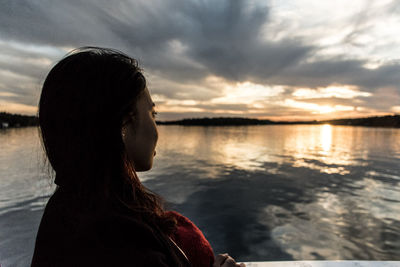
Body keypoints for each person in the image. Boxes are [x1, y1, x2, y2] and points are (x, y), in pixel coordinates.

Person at [31, 47, 245, 267]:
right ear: (125, 123)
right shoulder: (116, 237)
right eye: (153, 114)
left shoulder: (72, 207)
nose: (156, 129)